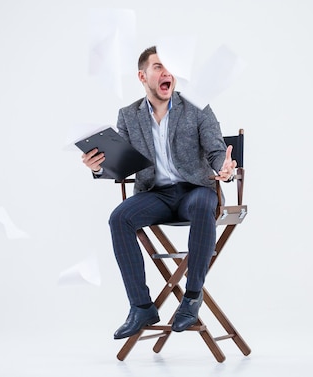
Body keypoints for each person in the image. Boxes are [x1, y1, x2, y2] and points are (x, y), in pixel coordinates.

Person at [82, 46, 237, 339]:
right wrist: (98, 167)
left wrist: (225, 167)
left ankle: (191, 298)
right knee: (119, 218)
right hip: (156, 194)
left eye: (170, 67)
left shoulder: (196, 106)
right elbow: (121, 165)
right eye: (158, 67)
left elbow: (217, 151)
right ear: (142, 76)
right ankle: (141, 306)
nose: (167, 73)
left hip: (196, 190)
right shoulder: (128, 116)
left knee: (206, 204)